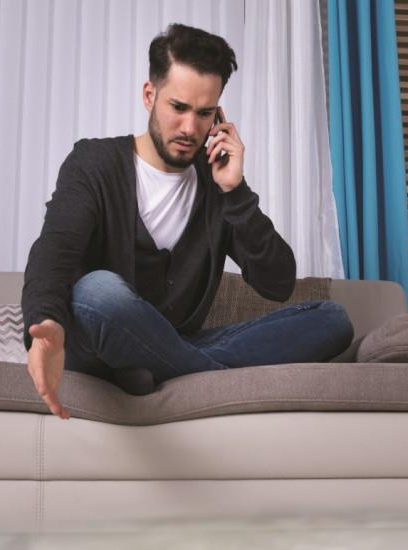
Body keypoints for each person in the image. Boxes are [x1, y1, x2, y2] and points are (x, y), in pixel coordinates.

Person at [22, 23, 353, 419]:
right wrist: (48, 327)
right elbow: (54, 252)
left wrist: (236, 192)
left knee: (330, 321)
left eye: (204, 113)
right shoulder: (94, 163)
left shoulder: (216, 183)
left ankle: (162, 370)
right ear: (150, 95)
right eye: (178, 108)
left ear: (218, 115)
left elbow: (279, 283)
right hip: (96, 344)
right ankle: (204, 378)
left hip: (176, 343)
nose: (190, 128)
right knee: (98, 293)